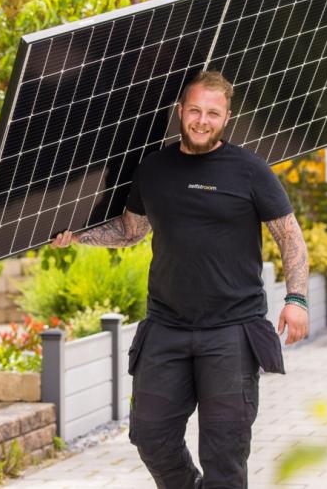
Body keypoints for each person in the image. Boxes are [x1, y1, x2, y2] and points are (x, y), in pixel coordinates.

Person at [52, 70, 310, 488]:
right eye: (195, 111)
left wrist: (296, 299)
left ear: (226, 117)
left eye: (213, 113)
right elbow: (131, 230)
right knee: (150, 434)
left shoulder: (249, 170)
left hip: (231, 331)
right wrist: (77, 236)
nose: (202, 120)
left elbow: (290, 237)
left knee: (225, 453)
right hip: (166, 328)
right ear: (180, 112)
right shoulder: (153, 169)